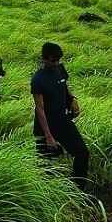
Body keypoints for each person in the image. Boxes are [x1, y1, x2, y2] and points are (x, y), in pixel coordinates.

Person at [31, 41, 89, 190]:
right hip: (45, 126)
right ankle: (47, 195)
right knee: (46, 166)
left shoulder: (60, 70)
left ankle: (77, 190)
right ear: (43, 59)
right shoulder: (38, 79)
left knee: (82, 153)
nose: (56, 63)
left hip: (63, 121)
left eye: (58, 60)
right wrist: (48, 136)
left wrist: (73, 99)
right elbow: (40, 109)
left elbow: (64, 87)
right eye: (52, 61)